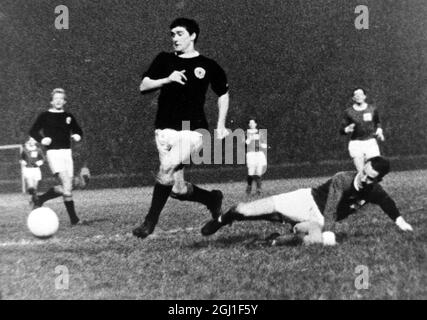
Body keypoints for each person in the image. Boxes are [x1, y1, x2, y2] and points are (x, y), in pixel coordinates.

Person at [132, 18, 230, 239]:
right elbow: (143, 86)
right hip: (164, 131)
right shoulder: (164, 59)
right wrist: (167, 79)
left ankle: (149, 222)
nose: (174, 38)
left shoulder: (208, 65)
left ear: (192, 35)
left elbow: (223, 93)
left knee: (166, 166)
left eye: (179, 33)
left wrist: (221, 124)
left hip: (192, 131)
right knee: (177, 190)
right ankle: (212, 198)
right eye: (172, 34)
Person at [201, 156, 414, 245]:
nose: (364, 178)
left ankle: (275, 240)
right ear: (364, 164)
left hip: (318, 218)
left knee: (317, 240)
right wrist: (330, 230)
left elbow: (388, 203)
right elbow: (331, 206)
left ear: (379, 180)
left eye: (371, 178)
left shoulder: (374, 191)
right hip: (305, 201)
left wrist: (400, 222)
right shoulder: (344, 178)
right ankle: (222, 219)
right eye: (365, 172)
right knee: (245, 211)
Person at [29, 88, 83, 225]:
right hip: (54, 153)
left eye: (61, 98)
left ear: (64, 101)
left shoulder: (68, 116)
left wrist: (77, 135)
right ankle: (74, 219)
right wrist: (42, 140)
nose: (58, 100)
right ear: (51, 101)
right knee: (66, 184)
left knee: (69, 186)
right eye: (56, 98)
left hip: (67, 153)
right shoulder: (45, 115)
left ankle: (40, 199)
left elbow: (78, 130)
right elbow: (33, 131)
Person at [341, 88, 385, 173]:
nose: (358, 96)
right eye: (356, 95)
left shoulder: (372, 109)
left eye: (360, 94)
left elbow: (378, 122)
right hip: (356, 143)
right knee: (361, 172)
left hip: (370, 142)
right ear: (353, 98)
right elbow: (341, 130)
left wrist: (379, 130)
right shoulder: (348, 112)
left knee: (374, 169)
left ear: (365, 96)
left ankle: (374, 186)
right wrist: (347, 129)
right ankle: (361, 185)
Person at [20, 137, 46, 205]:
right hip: (28, 170)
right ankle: (33, 199)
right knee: (31, 187)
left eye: (33, 140)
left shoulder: (38, 150)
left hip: (36, 170)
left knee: (35, 187)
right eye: (30, 140)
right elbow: (21, 158)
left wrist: (40, 162)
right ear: (28, 141)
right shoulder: (25, 150)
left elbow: (43, 159)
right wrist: (23, 161)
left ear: (35, 142)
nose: (32, 141)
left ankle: (33, 200)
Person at [245, 119, 267, 195]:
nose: (251, 124)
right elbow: (244, 143)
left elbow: (265, 145)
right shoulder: (246, 133)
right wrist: (250, 138)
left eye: (253, 123)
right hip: (251, 154)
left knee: (258, 172)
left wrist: (261, 145)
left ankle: (259, 189)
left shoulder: (260, 133)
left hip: (259, 154)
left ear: (256, 124)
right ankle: (249, 186)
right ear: (248, 125)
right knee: (251, 173)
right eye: (250, 123)